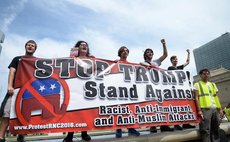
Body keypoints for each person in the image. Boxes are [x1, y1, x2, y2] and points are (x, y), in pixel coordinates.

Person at [0, 40, 37, 142]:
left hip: (28, 92)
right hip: (14, 90)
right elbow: (12, 71)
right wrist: (9, 86)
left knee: (24, 115)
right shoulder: (17, 59)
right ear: (25, 47)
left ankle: (21, 136)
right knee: (6, 114)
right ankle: (1, 137)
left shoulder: (37, 61)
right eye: (28, 45)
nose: (30, 47)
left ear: (35, 49)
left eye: (32, 46)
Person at [63, 40, 92, 142]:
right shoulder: (73, 59)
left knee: (85, 111)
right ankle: (69, 135)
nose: (84, 46)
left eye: (86, 45)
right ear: (77, 48)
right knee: (73, 111)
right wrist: (74, 52)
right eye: (81, 45)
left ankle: (84, 133)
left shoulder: (92, 59)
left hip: (87, 88)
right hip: (74, 87)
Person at [140, 39, 171, 133]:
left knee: (162, 105)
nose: (150, 53)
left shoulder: (156, 62)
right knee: (152, 106)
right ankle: (152, 126)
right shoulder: (142, 64)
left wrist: (164, 44)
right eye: (148, 52)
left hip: (159, 87)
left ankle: (164, 125)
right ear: (145, 55)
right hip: (149, 87)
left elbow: (165, 55)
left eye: (151, 52)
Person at [115, 46, 140, 138]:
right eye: (123, 51)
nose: (125, 52)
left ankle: (131, 128)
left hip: (129, 89)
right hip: (118, 89)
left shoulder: (130, 64)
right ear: (120, 53)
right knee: (119, 109)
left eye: (126, 51)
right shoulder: (115, 62)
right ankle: (118, 129)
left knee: (130, 109)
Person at [168, 49, 195, 130]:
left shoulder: (180, 67)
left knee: (184, 106)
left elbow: (187, 62)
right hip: (175, 90)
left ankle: (186, 124)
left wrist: (189, 53)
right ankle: (176, 124)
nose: (176, 60)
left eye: (176, 59)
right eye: (174, 59)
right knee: (177, 107)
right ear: (171, 61)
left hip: (182, 90)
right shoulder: (170, 68)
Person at [194, 68, 224, 142]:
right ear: (200, 75)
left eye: (207, 73)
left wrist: (220, 109)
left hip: (215, 109)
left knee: (216, 128)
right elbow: (196, 98)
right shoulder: (197, 84)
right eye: (204, 73)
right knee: (205, 129)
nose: (206, 75)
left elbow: (216, 97)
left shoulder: (213, 84)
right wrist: (199, 110)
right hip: (205, 109)